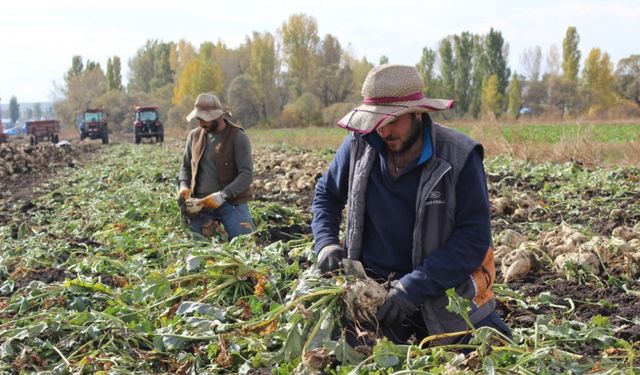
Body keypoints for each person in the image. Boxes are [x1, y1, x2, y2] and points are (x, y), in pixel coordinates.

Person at [311, 64, 510, 345]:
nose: (383, 131)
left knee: (496, 352)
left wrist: (413, 287)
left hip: (444, 293)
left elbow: (474, 237)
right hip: (374, 294)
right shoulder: (359, 145)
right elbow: (326, 195)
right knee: (335, 353)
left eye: (392, 121)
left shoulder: (460, 157)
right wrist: (326, 244)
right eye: (376, 121)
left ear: (418, 112)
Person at [177, 93, 255, 240]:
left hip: (231, 204)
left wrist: (222, 195)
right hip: (199, 206)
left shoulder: (237, 137)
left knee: (246, 241)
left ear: (217, 116)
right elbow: (185, 167)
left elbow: (246, 174)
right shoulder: (194, 136)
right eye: (198, 119)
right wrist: (183, 186)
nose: (201, 124)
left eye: (204, 119)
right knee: (193, 243)